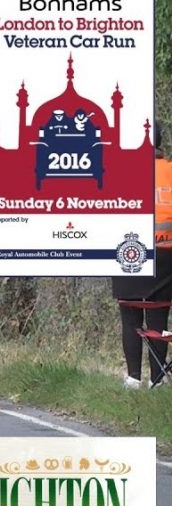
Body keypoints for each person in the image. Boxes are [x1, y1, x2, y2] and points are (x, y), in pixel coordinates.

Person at [113, 120, 172, 389]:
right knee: (158, 316)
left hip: (131, 254)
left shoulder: (121, 172)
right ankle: (157, 380)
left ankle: (133, 378)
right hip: (167, 258)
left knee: (130, 316)